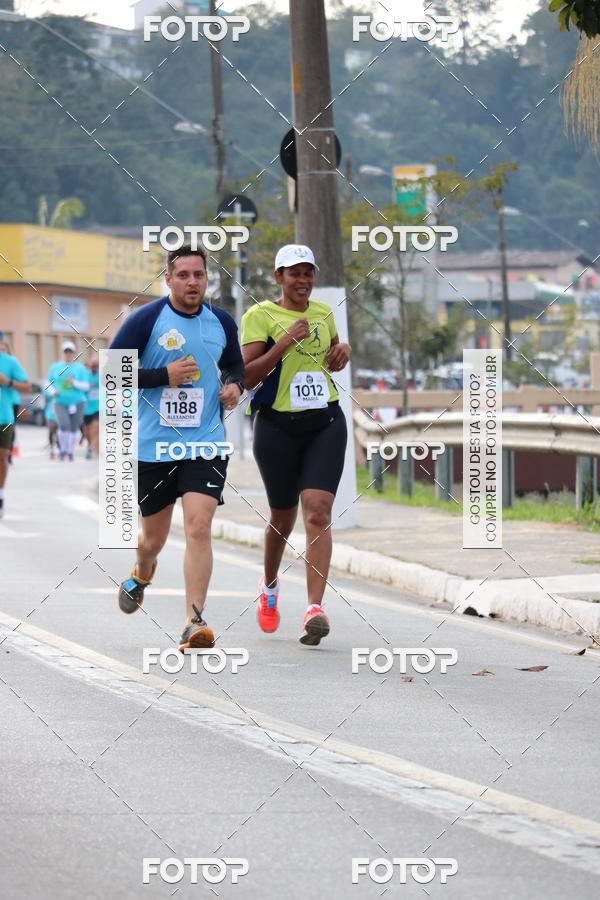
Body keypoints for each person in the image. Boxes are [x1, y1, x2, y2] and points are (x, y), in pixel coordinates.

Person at [110, 244, 244, 651]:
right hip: (154, 447)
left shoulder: (221, 321)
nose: (192, 282)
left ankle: (194, 621)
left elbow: (235, 364)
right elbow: (113, 372)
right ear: (168, 279)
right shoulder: (145, 320)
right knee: (153, 539)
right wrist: (162, 375)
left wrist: (235, 386)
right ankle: (142, 570)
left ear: (207, 279)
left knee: (199, 526)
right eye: (183, 275)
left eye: (198, 275)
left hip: (205, 442)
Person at [241, 244, 351, 646]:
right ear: (278, 278)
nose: (303, 281)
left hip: (325, 422)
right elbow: (248, 375)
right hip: (276, 428)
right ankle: (269, 587)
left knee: (318, 513)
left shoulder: (323, 313)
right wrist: (283, 342)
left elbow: (334, 352)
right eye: (294, 273)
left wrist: (343, 351)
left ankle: (313, 609)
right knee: (282, 519)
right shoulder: (259, 316)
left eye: (308, 273)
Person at [45, 341, 90, 461]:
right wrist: (52, 391)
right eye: (66, 351)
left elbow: (86, 386)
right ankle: (63, 450)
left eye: (70, 351)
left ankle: (70, 452)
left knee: (74, 428)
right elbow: (48, 382)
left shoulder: (80, 369)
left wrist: (74, 382)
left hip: (77, 402)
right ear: (63, 352)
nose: (68, 353)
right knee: (64, 425)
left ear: (73, 353)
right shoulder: (55, 367)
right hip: (60, 401)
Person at [0, 343, 30, 518]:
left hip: (3, 416)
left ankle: (1, 495)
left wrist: (7, 382)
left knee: (3, 456)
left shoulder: (10, 362)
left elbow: (27, 387)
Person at [83, 354, 100, 459]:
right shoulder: (85, 376)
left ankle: (96, 448)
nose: (94, 367)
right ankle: (89, 445)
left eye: (96, 365)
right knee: (87, 430)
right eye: (93, 365)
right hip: (86, 408)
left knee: (96, 427)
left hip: (98, 407)